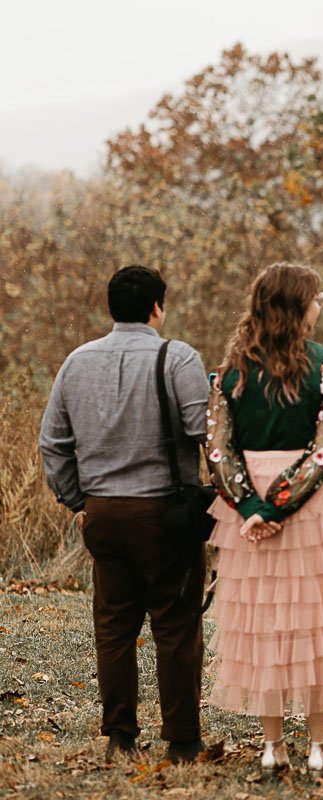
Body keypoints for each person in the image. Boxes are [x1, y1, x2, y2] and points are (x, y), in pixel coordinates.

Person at [39, 265, 209, 764]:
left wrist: (77, 500)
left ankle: (120, 736)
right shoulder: (177, 358)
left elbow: (53, 444)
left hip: (103, 516)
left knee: (113, 627)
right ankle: (182, 740)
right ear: (158, 307)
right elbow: (205, 432)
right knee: (175, 626)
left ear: (112, 306)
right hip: (165, 515)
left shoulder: (76, 362)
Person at [204, 263, 323, 777]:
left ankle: (273, 745)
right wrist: (274, 506)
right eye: (316, 297)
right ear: (297, 306)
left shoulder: (230, 370)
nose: (321, 305)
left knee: (264, 623)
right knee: (319, 620)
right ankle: (317, 746)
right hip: (315, 503)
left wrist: (252, 506)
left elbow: (217, 449)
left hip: (249, 498)